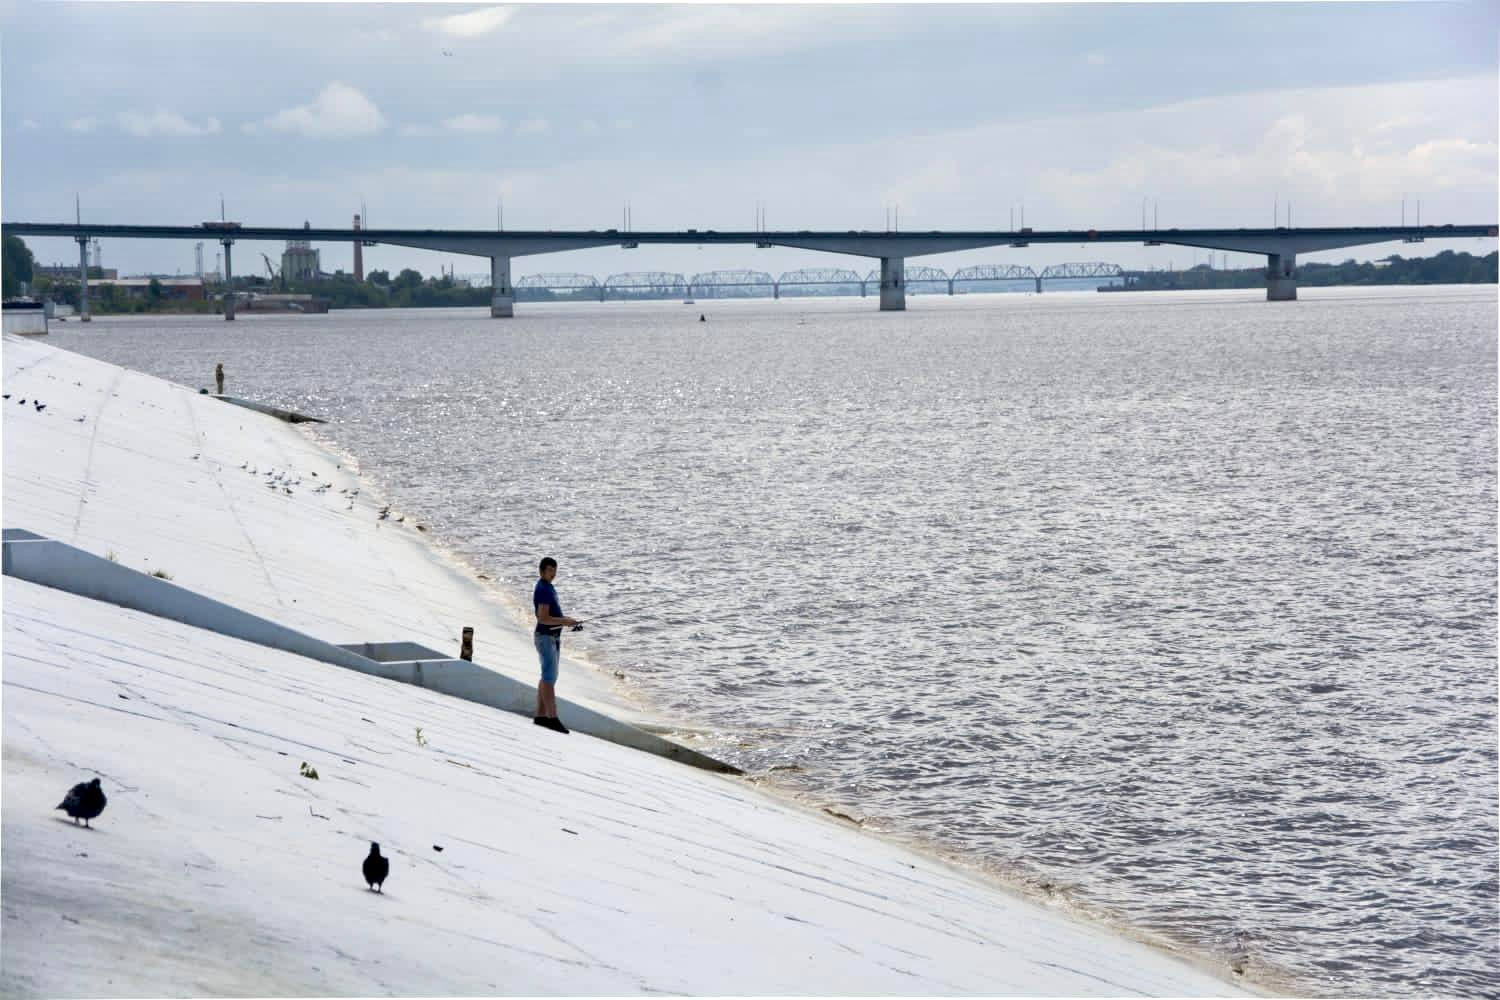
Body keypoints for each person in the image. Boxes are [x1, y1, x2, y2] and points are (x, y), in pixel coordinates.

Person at [533, 556, 580, 734]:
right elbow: (543, 618)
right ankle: (552, 718)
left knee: (548, 676)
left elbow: (552, 617)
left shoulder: (548, 587)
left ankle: (540, 716)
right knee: (549, 677)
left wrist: (567, 621)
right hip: (545, 637)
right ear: (542, 571)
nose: (553, 573)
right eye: (549, 570)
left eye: (555, 570)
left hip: (551, 637)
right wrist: (564, 621)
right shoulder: (543, 589)